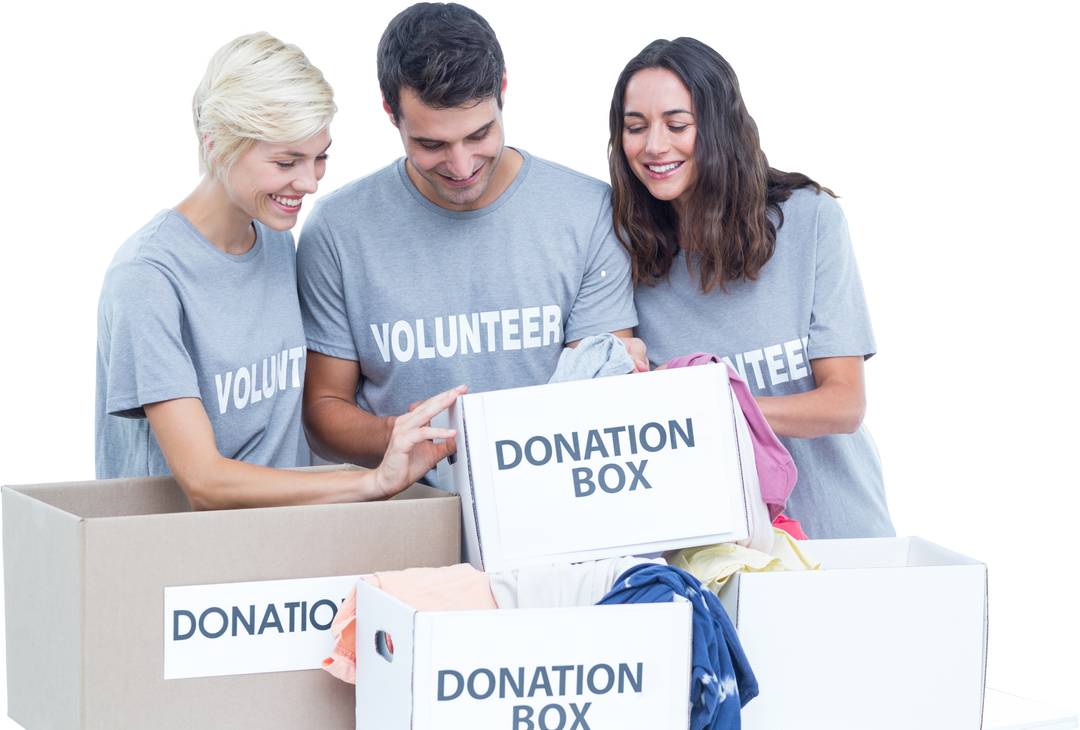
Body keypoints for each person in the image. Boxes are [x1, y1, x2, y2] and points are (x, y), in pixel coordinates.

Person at [91, 28, 463, 510]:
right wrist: (370, 483)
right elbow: (204, 482)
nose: (308, 183)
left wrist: (395, 432)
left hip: (285, 551)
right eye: (286, 161)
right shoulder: (148, 277)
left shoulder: (277, 241)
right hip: (180, 566)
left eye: (320, 157)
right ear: (216, 145)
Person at [296, 1, 645, 487]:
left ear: (504, 87)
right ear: (387, 112)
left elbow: (600, 388)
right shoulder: (334, 229)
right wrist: (396, 435)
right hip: (407, 520)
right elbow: (321, 410)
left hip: (556, 507)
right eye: (431, 145)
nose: (461, 167)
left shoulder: (588, 211)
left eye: (479, 134)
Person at [605, 34, 896, 539]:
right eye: (636, 127)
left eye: (677, 125)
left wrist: (722, 410)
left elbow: (845, 403)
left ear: (718, 128)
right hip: (718, 551)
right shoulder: (622, 250)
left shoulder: (811, 221)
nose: (654, 146)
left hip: (842, 538)